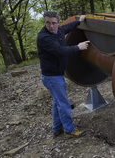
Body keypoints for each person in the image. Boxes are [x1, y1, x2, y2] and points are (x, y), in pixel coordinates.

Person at [37, 11, 90, 139]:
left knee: (57, 102)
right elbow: (60, 51)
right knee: (63, 104)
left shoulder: (59, 30)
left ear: (58, 23)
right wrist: (79, 47)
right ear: (45, 23)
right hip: (52, 77)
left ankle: (56, 128)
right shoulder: (44, 37)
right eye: (48, 23)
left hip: (55, 75)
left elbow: (68, 27)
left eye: (54, 23)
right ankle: (69, 130)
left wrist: (79, 21)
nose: (51, 26)